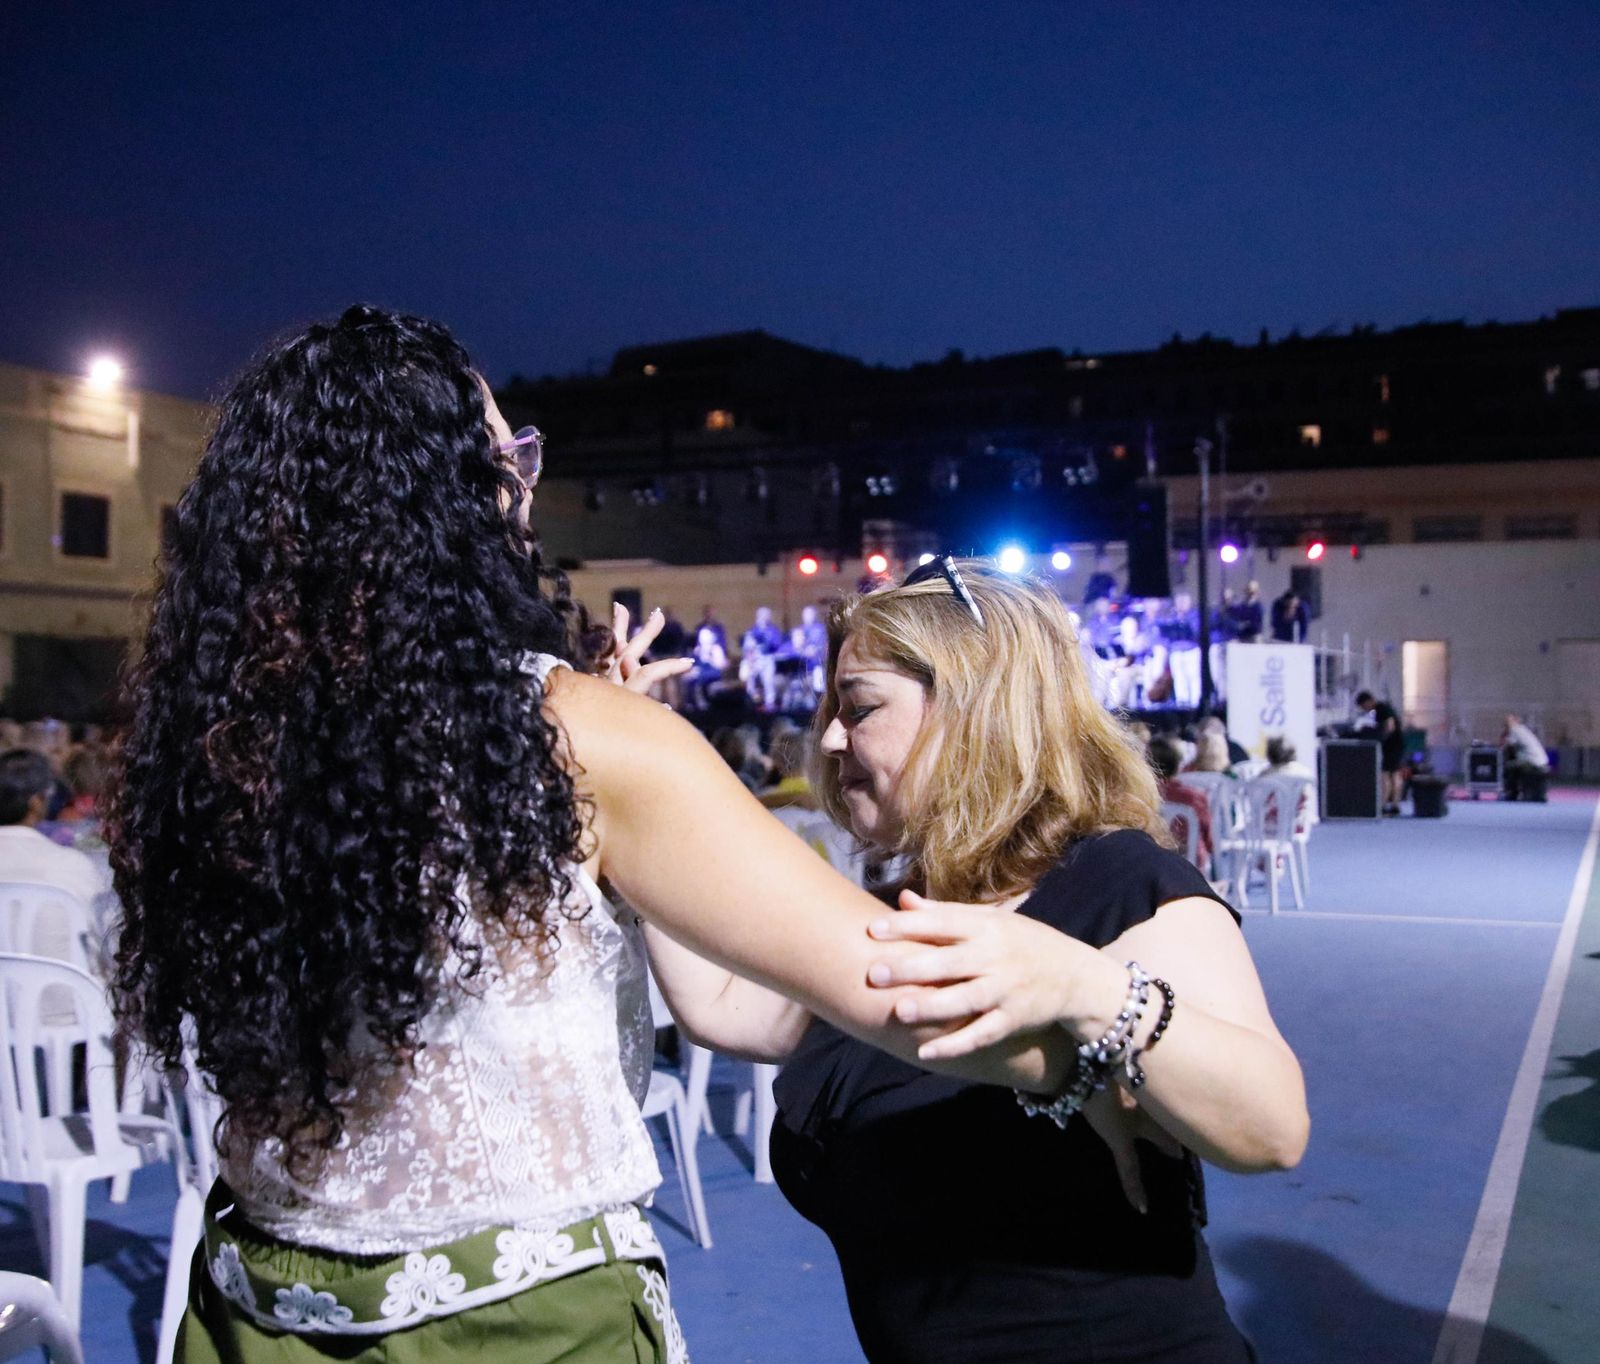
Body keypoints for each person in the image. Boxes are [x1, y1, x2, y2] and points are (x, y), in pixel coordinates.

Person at [106, 309, 1068, 1364]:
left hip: (256, 1302)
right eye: (509, 456)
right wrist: (1124, 1028)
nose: (524, 484)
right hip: (515, 1326)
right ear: (454, 495)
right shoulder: (576, 741)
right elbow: (887, 985)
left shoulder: (221, 743)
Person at [645, 561, 1308, 1363]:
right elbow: (722, 1002)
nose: (828, 737)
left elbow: (1274, 1126)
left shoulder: (1119, 883)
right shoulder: (907, 910)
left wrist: (1086, 988)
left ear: (976, 709)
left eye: (858, 708)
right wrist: (632, 783)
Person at [1149, 735, 1214, 869]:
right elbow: (1209, 836)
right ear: (1178, 765)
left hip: (1152, 862)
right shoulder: (1194, 797)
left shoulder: (1141, 797)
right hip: (1192, 862)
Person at [1355, 690, 1405, 815]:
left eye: (1363, 706)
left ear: (1368, 702)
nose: (1364, 709)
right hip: (1396, 745)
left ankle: (1383, 805)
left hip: (1392, 746)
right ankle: (1395, 805)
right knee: (1394, 774)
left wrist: (1381, 738)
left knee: (1386, 775)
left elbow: (1390, 726)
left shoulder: (1382, 709)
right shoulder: (1381, 709)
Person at [738, 606, 783, 709]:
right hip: (754, 660)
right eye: (762, 615)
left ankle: (769, 703)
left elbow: (776, 646)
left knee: (768, 680)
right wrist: (751, 658)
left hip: (768, 658)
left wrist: (766, 638)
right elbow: (747, 648)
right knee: (749, 677)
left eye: (766, 615)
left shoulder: (773, 630)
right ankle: (751, 701)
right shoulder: (752, 630)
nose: (764, 617)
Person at [1502, 713, 1551, 802]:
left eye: (1509, 721)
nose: (1507, 724)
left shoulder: (1515, 730)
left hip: (1532, 761)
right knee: (1515, 764)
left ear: (1516, 721)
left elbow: (1507, 745)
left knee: (1508, 767)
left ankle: (1512, 794)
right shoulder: (1524, 730)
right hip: (1541, 761)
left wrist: (1505, 734)